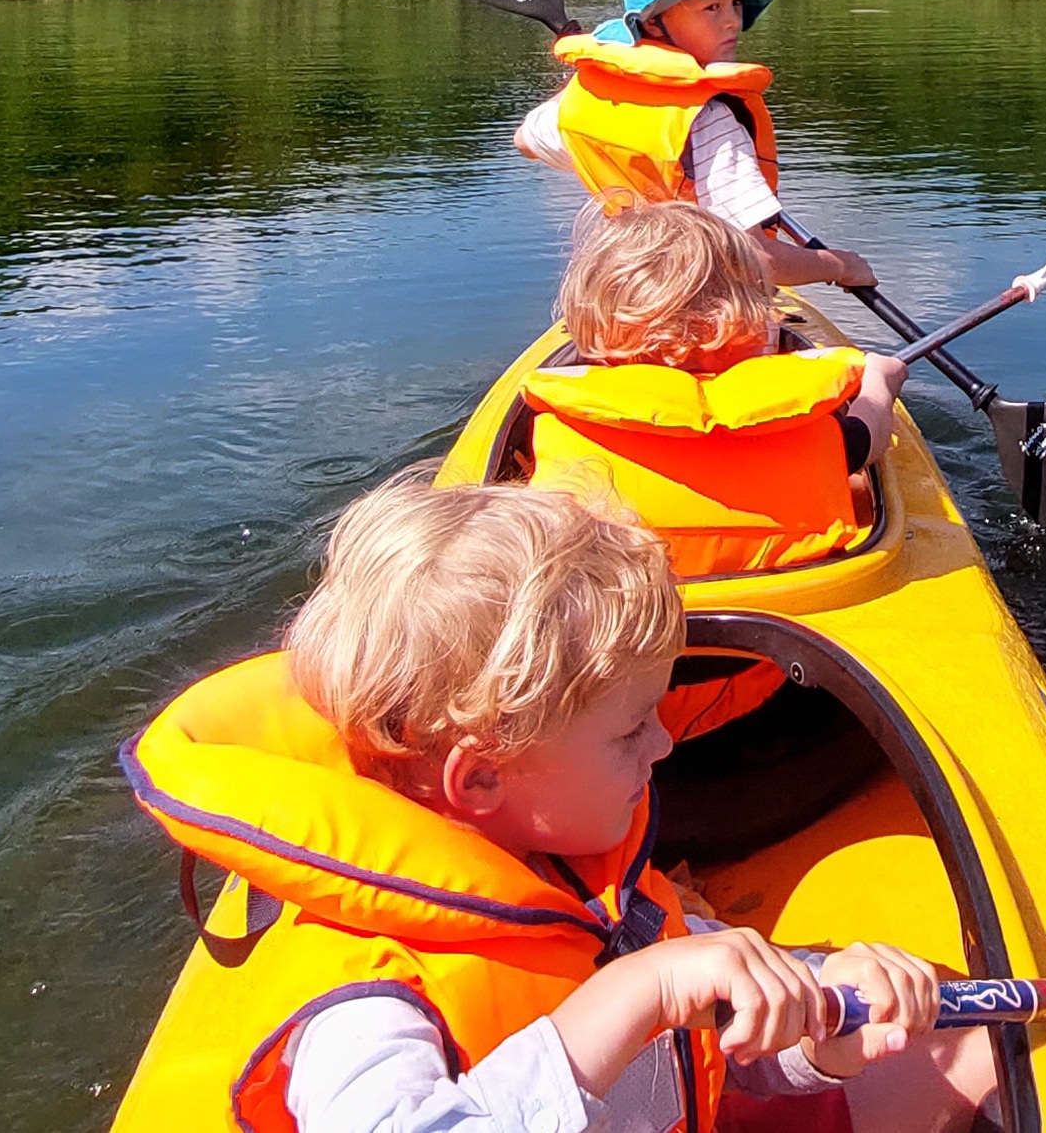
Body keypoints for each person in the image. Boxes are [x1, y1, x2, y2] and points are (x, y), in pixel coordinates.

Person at [122, 480, 994, 1133]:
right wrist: (634, 991)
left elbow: (700, 1064)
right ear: (482, 779)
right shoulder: (365, 1003)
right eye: (629, 732)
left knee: (970, 1040)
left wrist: (814, 1038)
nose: (663, 746)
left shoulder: (574, 864)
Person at [519, 201, 905, 577]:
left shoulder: (565, 422)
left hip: (618, 596)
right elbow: (871, 438)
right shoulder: (799, 423)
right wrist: (879, 380)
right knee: (852, 483)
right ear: (742, 321)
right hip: (794, 586)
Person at [516, 0, 875, 292]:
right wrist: (841, 265)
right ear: (654, 22)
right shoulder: (710, 119)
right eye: (711, 8)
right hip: (705, 308)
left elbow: (525, 140)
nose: (733, 21)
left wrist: (586, 72)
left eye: (735, 3)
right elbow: (756, 263)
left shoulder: (586, 97)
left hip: (626, 298)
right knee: (882, 357)